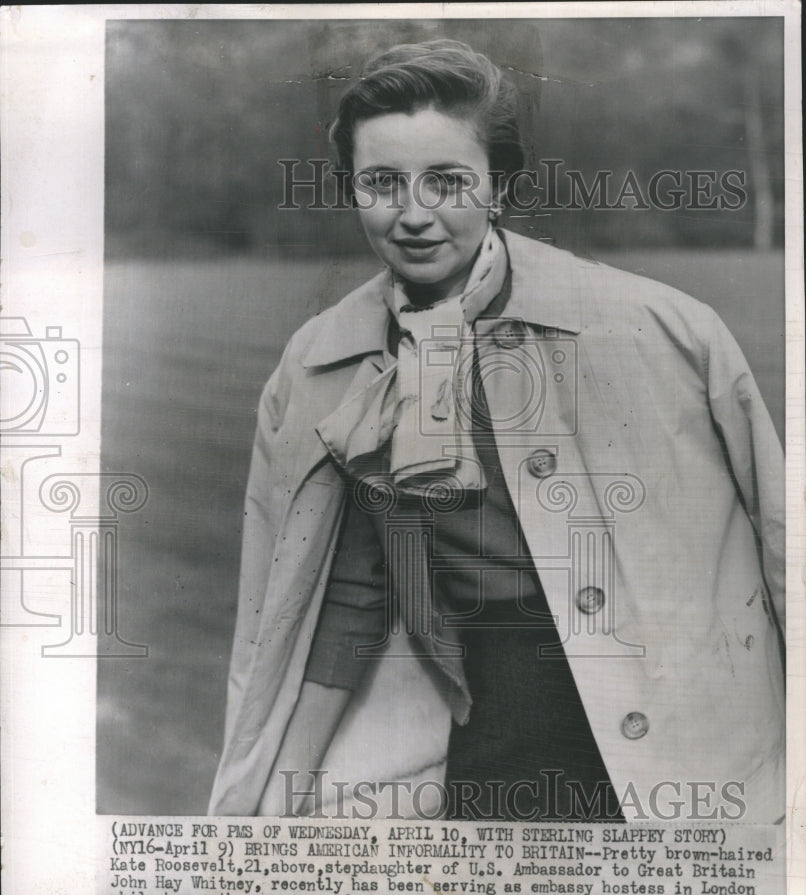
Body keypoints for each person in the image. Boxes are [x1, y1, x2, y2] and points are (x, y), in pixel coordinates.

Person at [208, 39, 785, 822]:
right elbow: (349, 590)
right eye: (381, 182)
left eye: (448, 181)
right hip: (496, 723)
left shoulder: (663, 330)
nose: (414, 214)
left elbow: (786, 548)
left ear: (500, 186)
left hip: (691, 726)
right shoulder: (321, 365)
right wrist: (274, 798)